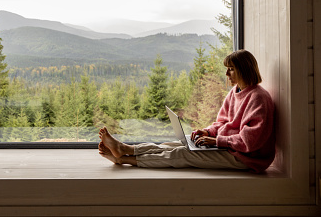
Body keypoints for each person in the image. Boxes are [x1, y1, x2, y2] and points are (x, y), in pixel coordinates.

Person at [98, 49, 275, 173]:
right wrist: (207, 132)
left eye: (231, 69)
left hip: (245, 157)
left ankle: (123, 159)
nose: (227, 74)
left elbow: (250, 141)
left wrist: (216, 141)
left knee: (181, 154)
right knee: (173, 145)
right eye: (227, 69)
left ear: (244, 69)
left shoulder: (258, 98)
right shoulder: (234, 92)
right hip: (227, 147)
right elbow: (222, 122)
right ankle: (124, 148)